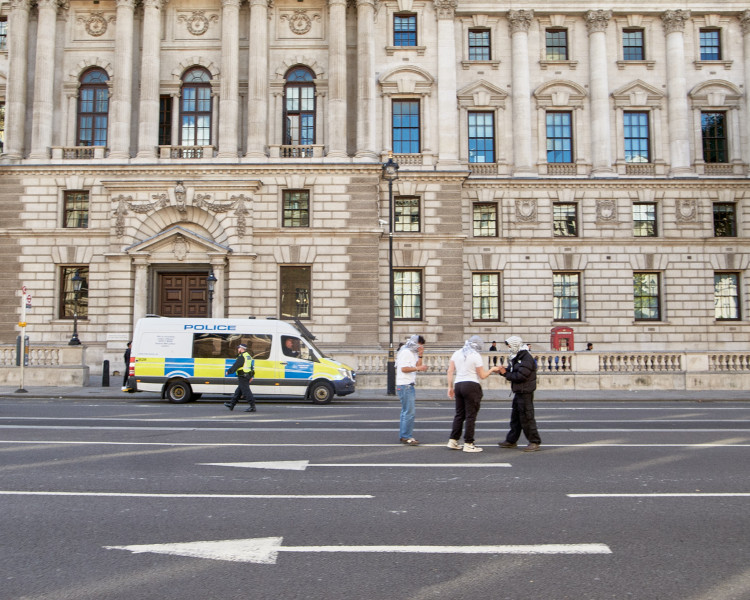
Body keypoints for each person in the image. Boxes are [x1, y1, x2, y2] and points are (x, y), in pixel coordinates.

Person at [446, 335, 500, 453]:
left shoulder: (457, 353)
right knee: (471, 415)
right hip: (471, 385)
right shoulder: (475, 355)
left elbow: (450, 371)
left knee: (459, 414)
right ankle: (468, 443)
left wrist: (450, 387)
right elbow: (482, 375)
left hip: (458, 384)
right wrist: (493, 369)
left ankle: (453, 440)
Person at [497, 336, 541, 452]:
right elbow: (516, 371)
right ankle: (511, 440)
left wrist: (505, 374)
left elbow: (521, 376)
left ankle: (534, 441)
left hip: (525, 391)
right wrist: (504, 371)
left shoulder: (526, 358)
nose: (509, 348)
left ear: (516, 345)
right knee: (515, 418)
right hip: (519, 391)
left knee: (527, 417)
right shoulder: (518, 357)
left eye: (510, 345)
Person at [395, 335, 428, 446]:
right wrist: (418, 368)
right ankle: (406, 436)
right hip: (405, 385)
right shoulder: (406, 352)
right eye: (420, 345)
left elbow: (417, 365)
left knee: (406, 412)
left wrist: (421, 355)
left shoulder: (412, 352)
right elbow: (404, 369)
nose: (420, 347)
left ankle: (404, 435)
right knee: (409, 412)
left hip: (408, 384)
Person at [224, 343, 256, 412]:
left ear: (241, 349)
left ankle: (252, 407)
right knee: (238, 391)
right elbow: (251, 367)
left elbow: (236, 365)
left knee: (246, 392)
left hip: (243, 376)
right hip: (247, 375)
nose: (238, 349)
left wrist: (229, 371)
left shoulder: (241, 356)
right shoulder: (248, 356)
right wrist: (251, 376)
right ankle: (232, 405)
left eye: (238, 348)